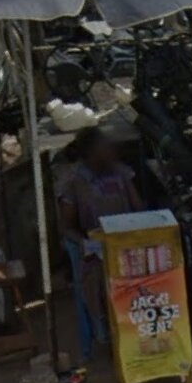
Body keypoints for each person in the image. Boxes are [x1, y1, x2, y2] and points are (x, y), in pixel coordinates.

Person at [58, 127, 145, 361]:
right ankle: (104, 332)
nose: (111, 151)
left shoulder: (121, 173)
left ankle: (139, 329)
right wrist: (86, 244)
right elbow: (66, 227)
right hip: (95, 245)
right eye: (105, 147)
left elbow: (138, 208)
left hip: (127, 240)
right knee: (97, 278)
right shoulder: (75, 181)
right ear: (92, 152)